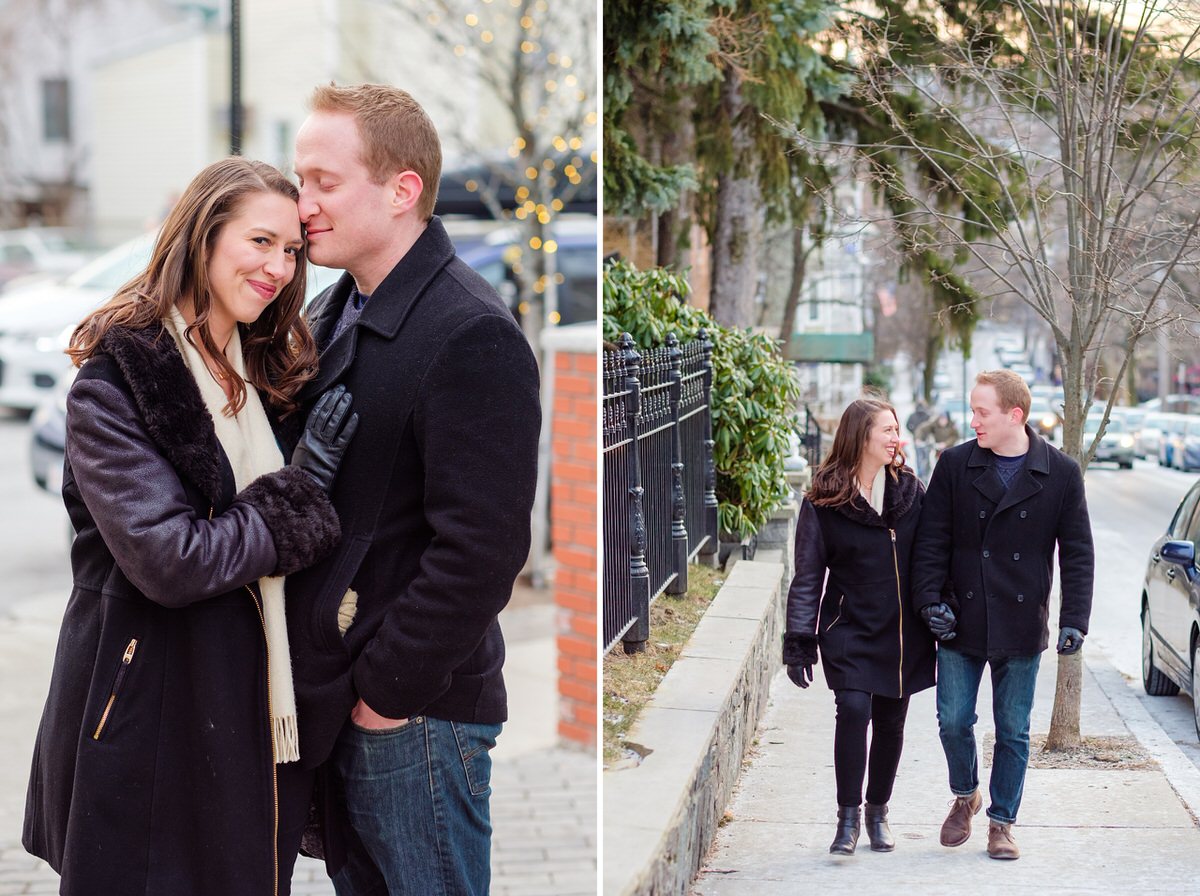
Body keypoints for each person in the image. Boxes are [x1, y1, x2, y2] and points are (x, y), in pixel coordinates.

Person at [22, 157, 358, 896]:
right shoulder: (117, 384)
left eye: (291, 251)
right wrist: (297, 495)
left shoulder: (264, 373)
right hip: (146, 710)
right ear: (203, 238)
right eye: (259, 241)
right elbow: (169, 558)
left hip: (241, 711)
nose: (278, 267)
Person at [288, 84, 540, 895]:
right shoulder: (336, 308)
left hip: (417, 716)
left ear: (402, 190)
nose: (303, 206)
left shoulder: (470, 332)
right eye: (301, 182)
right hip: (353, 702)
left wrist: (384, 697)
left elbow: (485, 547)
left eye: (325, 182)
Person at [911, 369, 1093, 861]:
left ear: (1015, 415)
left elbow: (1076, 551)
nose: (973, 421)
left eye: (981, 411)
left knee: (1012, 729)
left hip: (1020, 620)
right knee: (952, 720)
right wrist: (930, 600)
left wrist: (1074, 618)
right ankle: (965, 792)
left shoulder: (1059, 472)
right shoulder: (954, 465)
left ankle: (1001, 822)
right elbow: (931, 541)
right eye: (972, 410)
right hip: (960, 617)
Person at [783, 398, 936, 856]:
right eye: (887, 430)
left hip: (903, 631)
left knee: (891, 721)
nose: (897, 438)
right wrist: (799, 643)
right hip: (848, 628)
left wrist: (940, 606)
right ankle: (846, 817)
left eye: (896, 430)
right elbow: (808, 576)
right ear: (860, 437)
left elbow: (933, 557)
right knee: (852, 709)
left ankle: (878, 811)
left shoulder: (911, 491)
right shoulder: (824, 500)